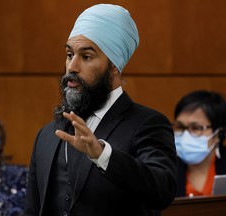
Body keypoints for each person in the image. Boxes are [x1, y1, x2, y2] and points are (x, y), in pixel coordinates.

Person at [24, 3, 177, 216]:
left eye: (86, 57)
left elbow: (163, 189)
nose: (72, 67)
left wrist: (102, 154)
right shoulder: (47, 135)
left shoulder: (147, 124)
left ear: (114, 65)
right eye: (70, 55)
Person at [173, 90, 226, 197]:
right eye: (180, 127)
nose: (185, 136)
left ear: (218, 134)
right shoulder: (166, 170)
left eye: (196, 128)